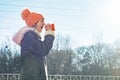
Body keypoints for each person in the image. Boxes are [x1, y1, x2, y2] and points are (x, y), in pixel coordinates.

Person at [12, 8, 55, 80]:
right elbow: (43, 49)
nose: (44, 24)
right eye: (42, 21)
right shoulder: (29, 36)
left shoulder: (33, 37)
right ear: (34, 23)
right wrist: (49, 34)